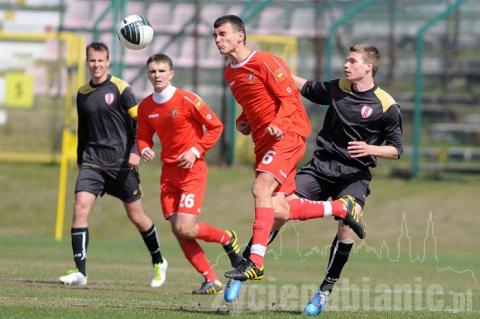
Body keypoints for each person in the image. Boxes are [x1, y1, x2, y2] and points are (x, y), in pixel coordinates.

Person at [228, 44, 403, 314]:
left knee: (346, 230)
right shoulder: (338, 88)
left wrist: (371, 149)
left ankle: (325, 290)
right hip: (321, 167)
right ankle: (248, 264)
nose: (346, 65)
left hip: (354, 175)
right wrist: (272, 68)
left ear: (368, 67)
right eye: (346, 60)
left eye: (352, 61)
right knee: (276, 209)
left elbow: (397, 149)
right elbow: (304, 86)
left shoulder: (386, 105)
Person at [213, 15, 363, 288]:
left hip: (288, 134)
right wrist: (243, 120)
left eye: (223, 34)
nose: (218, 40)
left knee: (261, 190)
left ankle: (254, 263)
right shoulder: (230, 73)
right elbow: (253, 102)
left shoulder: (266, 61)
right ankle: (341, 207)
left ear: (240, 36)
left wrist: (279, 124)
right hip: (264, 143)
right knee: (279, 209)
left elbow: (289, 99)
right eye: (216, 36)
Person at [59, 42, 167, 288]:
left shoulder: (121, 88)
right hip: (92, 163)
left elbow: (140, 123)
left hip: (121, 165)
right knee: (80, 208)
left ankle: (159, 261)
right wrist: (81, 160)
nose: (96, 65)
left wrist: (136, 150)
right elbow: (84, 131)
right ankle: (80, 271)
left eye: (101, 60)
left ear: (108, 62)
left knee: (137, 216)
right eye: (92, 60)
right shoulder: (82, 93)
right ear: (87, 62)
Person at [136, 53, 242, 295]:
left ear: (171, 73)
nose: (157, 75)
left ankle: (227, 238)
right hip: (168, 174)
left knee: (184, 227)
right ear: (148, 75)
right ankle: (211, 279)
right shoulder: (146, 107)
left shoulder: (187, 100)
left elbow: (216, 126)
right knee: (179, 230)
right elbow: (142, 136)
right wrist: (144, 149)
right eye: (153, 71)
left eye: (162, 71)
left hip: (192, 171)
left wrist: (195, 151)